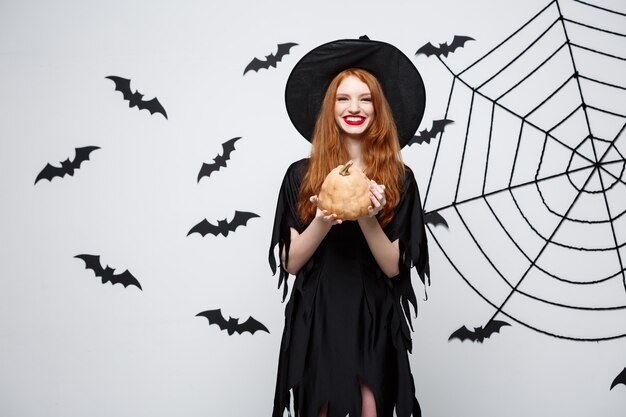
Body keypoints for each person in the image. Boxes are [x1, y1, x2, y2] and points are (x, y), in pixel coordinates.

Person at [269, 38, 430, 417]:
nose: (354, 108)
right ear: (330, 107)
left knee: (371, 406)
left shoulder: (400, 179)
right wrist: (324, 218)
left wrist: (367, 215)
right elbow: (291, 264)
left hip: (373, 313)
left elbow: (393, 267)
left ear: (379, 108)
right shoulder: (301, 175)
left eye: (365, 98)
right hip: (320, 309)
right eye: (343, 98)